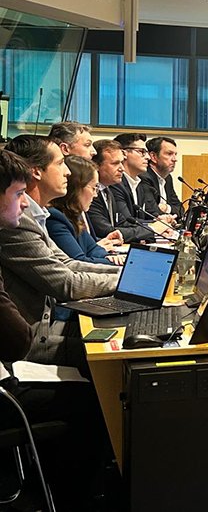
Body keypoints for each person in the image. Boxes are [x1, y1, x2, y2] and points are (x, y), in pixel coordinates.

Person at [0, 147, 112, 511]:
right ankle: (75, 497)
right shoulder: (11, 230)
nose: (23, 206)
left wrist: (127, 278)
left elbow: (68, 265)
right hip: (12, 374)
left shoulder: (32, 219)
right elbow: (18, 341)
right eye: (17, 196)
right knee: (101, 389)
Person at [0, 135, 119, 331]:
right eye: (61, 163)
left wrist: (125, 276)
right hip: (34, 335)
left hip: (44, 326)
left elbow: (67, 263)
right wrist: (127, 283)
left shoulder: (39, 214)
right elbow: (66, 283)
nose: (68, 172)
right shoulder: (16, 223)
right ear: (36, 171)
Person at [47, 156, 121, 265]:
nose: (95, 195)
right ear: (76, 188)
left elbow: (92, 248)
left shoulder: (75, 214)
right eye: (93, 188)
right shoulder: (55, 218)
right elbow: (78, 261)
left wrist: (112, 258)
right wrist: (117, 263)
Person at [88, 140, 156, 243]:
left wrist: (152, 230)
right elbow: (106, 231)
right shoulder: (91, 194)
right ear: (96, 166)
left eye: (121, 163)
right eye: (115, 163)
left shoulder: (108, 190)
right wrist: (153, 230)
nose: (122, 169)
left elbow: (123, 223)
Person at [115, 132, 163, 221]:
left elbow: (144, 216)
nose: (148, 157)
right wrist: (154, 226)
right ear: (124, 153)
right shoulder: (116, 184)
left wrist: (159, 220)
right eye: (141, 152)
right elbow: (127, 221)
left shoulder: (139, 182)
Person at [139, 136, 184, 218]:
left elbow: (181, 209)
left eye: (175, 154)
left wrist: (167, 208)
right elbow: (152, 211)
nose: (174, 159)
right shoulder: (144, 176)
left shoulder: (167, 178)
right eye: (169, 154)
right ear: (153, 157)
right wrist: (170, 214)